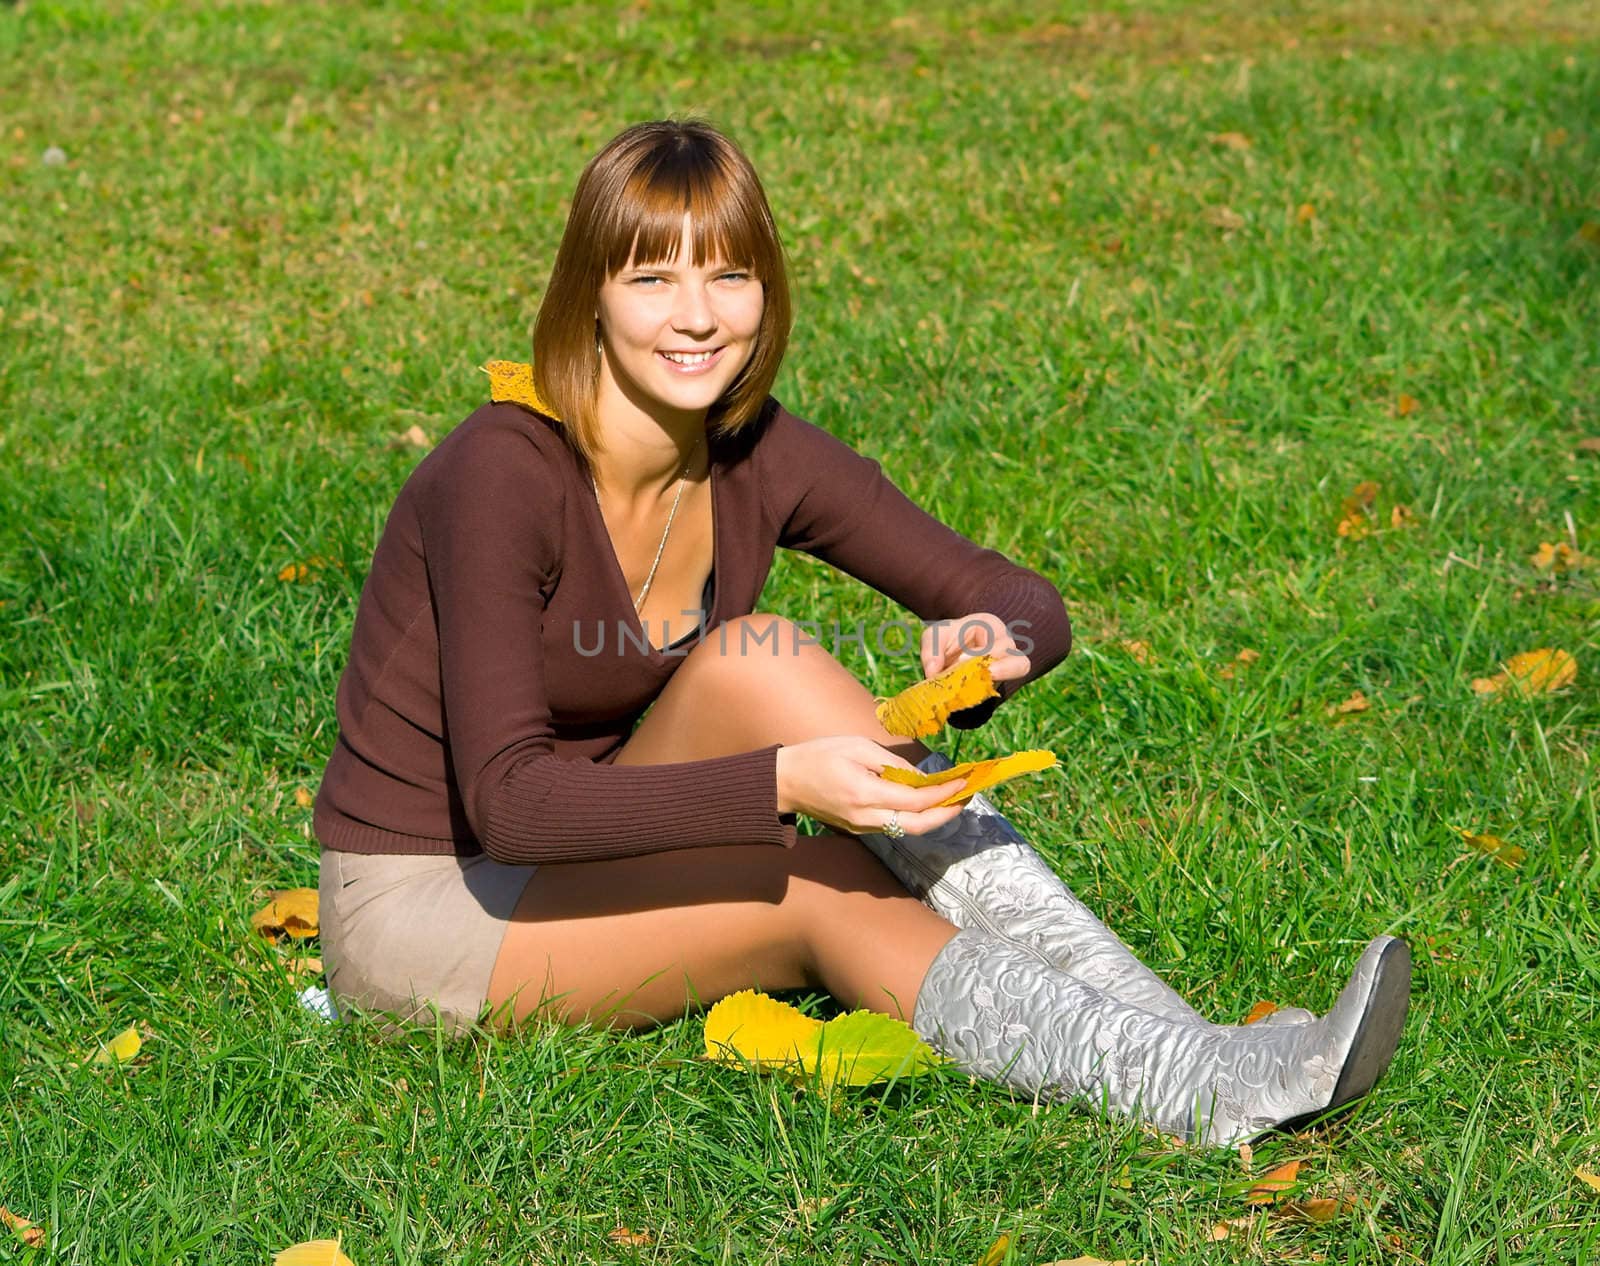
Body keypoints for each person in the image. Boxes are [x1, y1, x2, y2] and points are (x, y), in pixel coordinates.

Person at [314, 118, 1409, 1146]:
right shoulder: (501, 472)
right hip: (429, 906)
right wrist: (782, 783)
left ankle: (1193, 1049)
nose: (696, 316)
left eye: (728, 274)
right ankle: (1201, 1088)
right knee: (814, 886)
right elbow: (509, 805)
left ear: (766, 289)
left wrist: (994, 637)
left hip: (578, 852)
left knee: (760, 656)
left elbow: (1020, 599)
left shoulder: (753, 450)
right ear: (588, 295)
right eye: (653, 277)